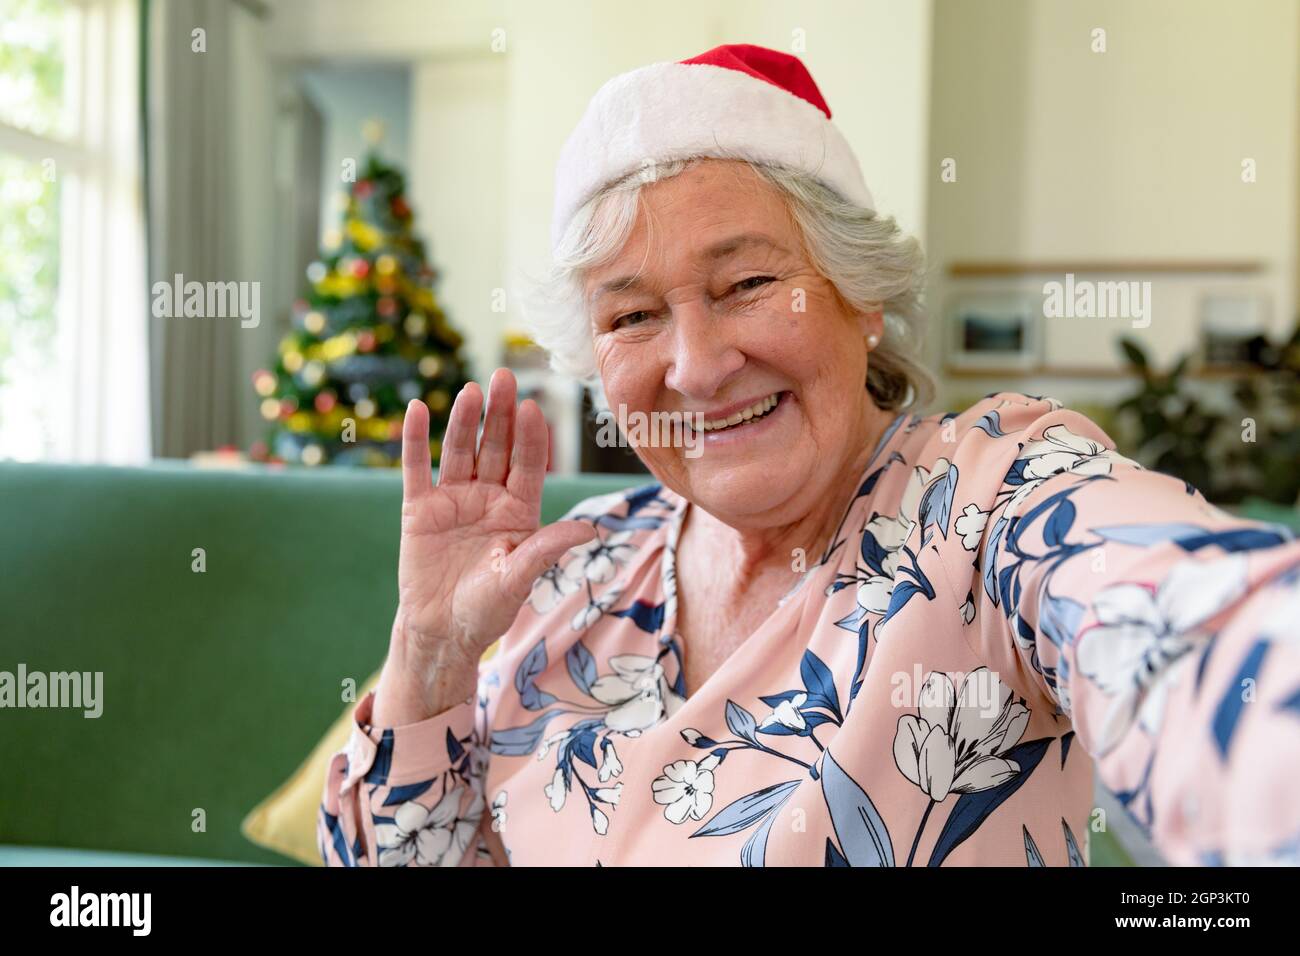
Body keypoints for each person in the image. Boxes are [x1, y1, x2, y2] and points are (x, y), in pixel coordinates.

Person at [318, 43, 1300, 867]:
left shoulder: (989, 501)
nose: (697, 366)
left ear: (859, 295)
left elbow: (1177, 623)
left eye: (746, 282)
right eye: (632, 314)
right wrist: (431, 654)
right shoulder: (566, 572)